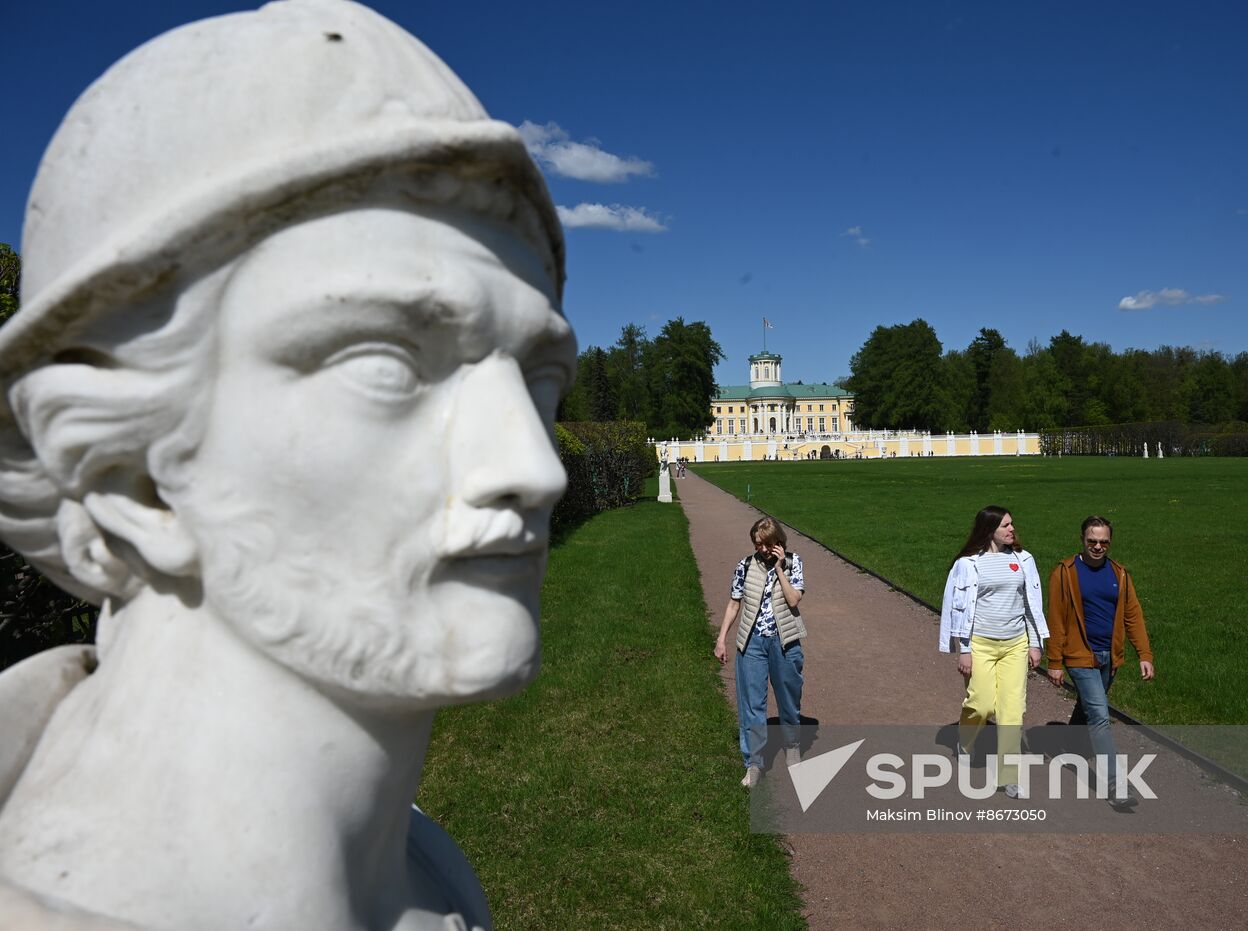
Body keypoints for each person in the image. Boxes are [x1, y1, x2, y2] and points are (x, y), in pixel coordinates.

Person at [0, 2, 572, 928]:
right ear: (130, 479)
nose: (536, 467)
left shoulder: (431, 873)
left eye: (541, 378)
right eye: (385, 361)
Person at [1046, 516, 1156, 810]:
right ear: (1082, 540)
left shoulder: (1119, 573)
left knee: (1088, 706)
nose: (1097, 547)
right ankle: (1115, 784)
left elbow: (1133, 616)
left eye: (1103, 542)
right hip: (1079, 654)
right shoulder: (1065, 572)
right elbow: (1055, 619)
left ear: (1110, 542)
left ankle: (1070, 746)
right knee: (1099, 714)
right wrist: (1054, 661)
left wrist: (1144, 655)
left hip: (1110, 655)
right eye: (1092, 541)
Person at [938, 506, 1048, 798]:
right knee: (982, 704)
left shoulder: (1024, 560)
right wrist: (964, 649)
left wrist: (1035, 643)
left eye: (1012, 524)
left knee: (1012, 712)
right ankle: (965, 740)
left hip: (1015, 644)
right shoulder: (968, 564)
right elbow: (957, 608)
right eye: (1005, 526)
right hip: (981, 644)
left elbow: (1032, 605)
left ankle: (1008, 776)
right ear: (989, 530)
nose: (1012, 530)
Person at [713, 516, 806, 788]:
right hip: (751, 643)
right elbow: (734, 604)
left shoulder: (794, 562)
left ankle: (792, 744)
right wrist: (722, 639)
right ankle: (753, 763)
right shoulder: (744, 566)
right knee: (752, 705)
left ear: (778, 542)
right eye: (757, 545)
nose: (762, 550)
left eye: (766, 544)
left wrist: (779, 569)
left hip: (785, 642)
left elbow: (793, 599)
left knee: (789, 700)